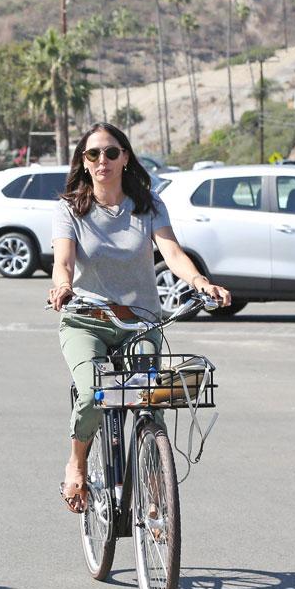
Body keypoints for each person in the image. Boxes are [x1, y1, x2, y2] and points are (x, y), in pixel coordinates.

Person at [47, 123, 231, 512]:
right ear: (83, 161)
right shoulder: (70, 209)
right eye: (93, 154)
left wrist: (200, 282)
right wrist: (62, 286)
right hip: (86, 320)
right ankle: (76, 462)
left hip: (141, 322)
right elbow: (62, 262)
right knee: (92, 393)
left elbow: (173, 253)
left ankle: (152, 482)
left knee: (150, 398)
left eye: (111, 153)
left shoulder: (147, 205)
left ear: (125, 157)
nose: (103, 161)